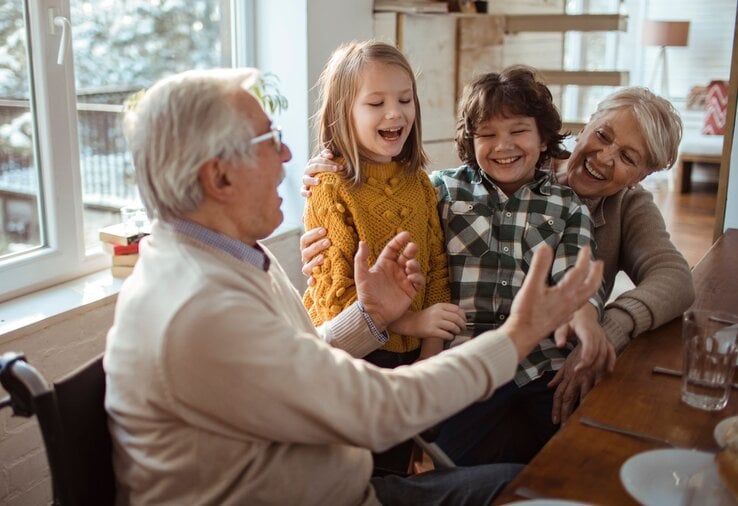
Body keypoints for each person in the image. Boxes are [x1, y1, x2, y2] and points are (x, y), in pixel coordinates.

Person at [104, 67, 604, 505]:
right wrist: (517, 336)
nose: (289, 155)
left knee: (523, 484)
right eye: (269, 140)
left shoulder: (221, 255)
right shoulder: (202, 307)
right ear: (219, 177)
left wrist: (369, 316)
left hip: (346, 489)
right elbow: (383, 411)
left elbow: (296, 365)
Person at [301, 85, 695, 462]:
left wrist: (607, 327)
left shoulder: (620, 206)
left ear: (645, 173)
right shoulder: (477, 175)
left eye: (628, 157)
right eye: (603, 135)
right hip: (466, 355)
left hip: (545, 365)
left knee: (587, 450)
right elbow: (390, 223)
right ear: (587, 123)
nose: (605, 157)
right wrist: (332, 188)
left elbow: (673, 277)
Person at [304, 41, 465, 473]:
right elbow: (338, 302)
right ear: (343, 115)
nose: (395, 113)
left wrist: (430, 352)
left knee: (398, 469)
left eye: (405, 99)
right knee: (360, 475)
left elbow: (435, 273)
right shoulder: (329, 188)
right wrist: (411, 322)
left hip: (411, 359)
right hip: (355, 363)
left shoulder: (421, 185)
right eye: (376, 103)